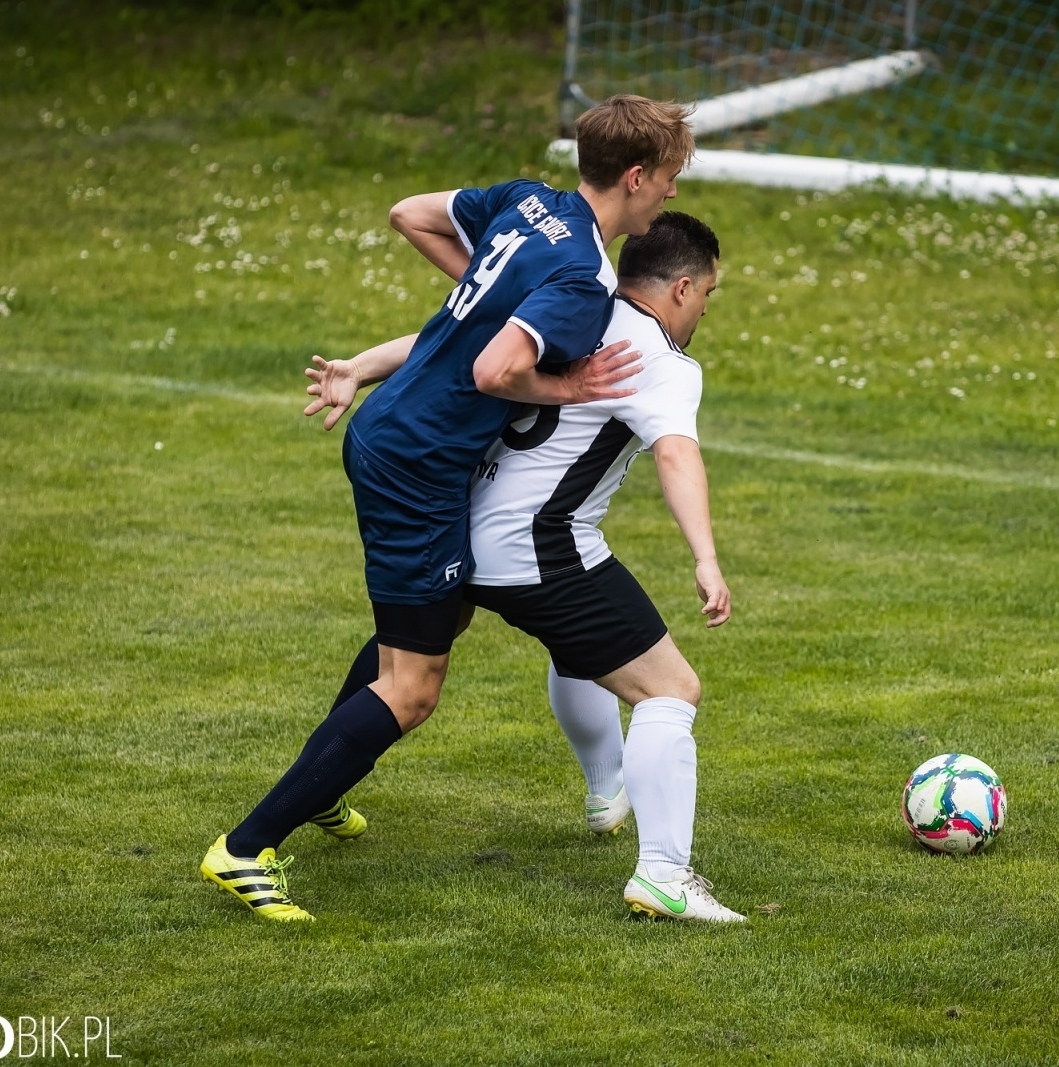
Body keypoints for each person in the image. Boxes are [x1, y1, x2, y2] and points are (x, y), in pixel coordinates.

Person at [200, 95, 695, 922]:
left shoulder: (528, 205)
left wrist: (474, 300)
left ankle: (324, 785)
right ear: (637, 176)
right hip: (418, 466)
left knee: (441, 622)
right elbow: (495, 371)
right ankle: (246, 849)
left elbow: (408, 214)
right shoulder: (581, 277)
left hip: (400, 438)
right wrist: (561, 382)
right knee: (414, 685)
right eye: (670, 179)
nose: (670, 197)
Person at [308, 213, 743, 923]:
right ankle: (664, 874)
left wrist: (360, 363)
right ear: (683, 288)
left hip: (457, 527)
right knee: (671, 687)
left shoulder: (572, 301)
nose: (703, 311)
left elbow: (448, 344)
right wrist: (706, 557)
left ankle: (605, 791)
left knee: (434, 656)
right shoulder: (661, 361)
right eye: (708, 295)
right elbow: (675, 452)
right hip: (539, 547)